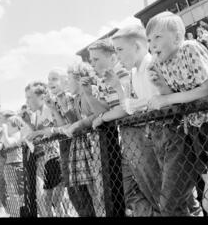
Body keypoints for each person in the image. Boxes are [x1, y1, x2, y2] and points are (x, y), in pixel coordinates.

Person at [146, 11, 208, 216]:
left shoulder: (189, 48)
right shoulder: (161, 63)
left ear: (176, 37)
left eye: (158, 37)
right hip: (194, 131)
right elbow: (178, 97)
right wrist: (162, 86)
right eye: (149, 40)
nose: (152, 45)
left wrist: (166, 99)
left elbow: (207, 88)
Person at [112, 25, 203, 216]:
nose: (117, 56)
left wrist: (135, 103)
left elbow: (156, 101)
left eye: (120, 50)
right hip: (157, 139)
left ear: (137, 46)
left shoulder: (152, 64)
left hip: (173, 135)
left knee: (174, 201)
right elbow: (135, 105)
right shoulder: (135, 73)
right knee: (178, 201)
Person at [89, 37, 163, 216]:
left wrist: (103, 117)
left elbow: (125, 108)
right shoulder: (109, 78)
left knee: (154, 189)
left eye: (96, 59)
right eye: (91, 60)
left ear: (112, 57)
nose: (92, 64)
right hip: (129, 140)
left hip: (141, 136)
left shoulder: (124, 72)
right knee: (127, 188)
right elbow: (117, 107)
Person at [31, 64, 109, 217]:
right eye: (48, 79)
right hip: (74, 149)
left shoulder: (75, 96)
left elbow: (76, 122)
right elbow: (68, 124)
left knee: (94, 193)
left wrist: (57, 127)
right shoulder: (63, 99)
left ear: (67, 81)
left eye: (54, 79)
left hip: (88, 145)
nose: (50, 82)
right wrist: (54, 108)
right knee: (80, 193)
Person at [23, 81, 66, 217]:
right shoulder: (36, 115)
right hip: (47, 160)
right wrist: (29, 124)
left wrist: (37, 133)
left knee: (56, 201)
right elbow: (40, 134)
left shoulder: (48, 108)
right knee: (47, 201)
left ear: (41, 97)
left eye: (29, 97)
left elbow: (57, 128)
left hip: (57, 156)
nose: (27, 101)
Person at [0, 112, 25, 217]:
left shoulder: (18, 134)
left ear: (15, 126)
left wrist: (4, 131)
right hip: (9, 165)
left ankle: (20, 213)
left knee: (20, 193)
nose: (6, 127)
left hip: (17, 165)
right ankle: (15, 213)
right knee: (11, 193)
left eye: (8, 125)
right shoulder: (9, 135)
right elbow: (1, 144)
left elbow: (9, 143)